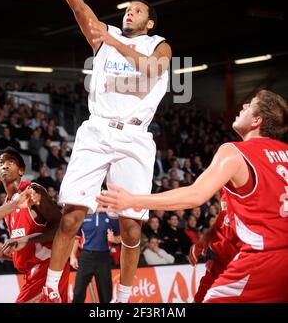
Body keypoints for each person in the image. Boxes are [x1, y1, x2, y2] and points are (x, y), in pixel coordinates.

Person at [37, 0, 172, 303]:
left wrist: (114, 42)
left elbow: (151, 71)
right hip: (96, 132)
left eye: (138, 11)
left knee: (130, 228)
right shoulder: (104, 35)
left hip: (133, 138)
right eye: (128, 7)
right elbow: (78, 5)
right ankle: (51, 291)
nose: (130, 11)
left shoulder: (157, 45)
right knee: (70, 218)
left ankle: (124, 296)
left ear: (149, 24)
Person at [97, 90, 288, 303]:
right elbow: (254, 209)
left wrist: (132, 200)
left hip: (263, 259)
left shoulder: (235, 152)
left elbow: (195, 195)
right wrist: (211, 234)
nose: (242, 107)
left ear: (257, 120)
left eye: (249, 105)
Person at [0, 147, 70, 303]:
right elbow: (27, 247)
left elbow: (62, 227)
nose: (4, 166)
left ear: (21, 170)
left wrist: (26, 240)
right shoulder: (8, 205)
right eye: (0, 164)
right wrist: (6, 255)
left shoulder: (32, 191)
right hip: (33, 273)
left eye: (10, 162)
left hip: (48, 268)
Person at [188, 190, 242, 303]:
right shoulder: (226, 186)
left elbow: (196, 193)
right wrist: (206, 237)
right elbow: (224, 215)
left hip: (242, 263)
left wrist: (143, 201)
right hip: (220, 259)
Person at [70, 212, 120, 303]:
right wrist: (72, 256)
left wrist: (114, 239)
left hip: (103, 257)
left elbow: (122, 237)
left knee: (106, 294)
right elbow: (76, 238)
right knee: (78, 292)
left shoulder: (111, 217)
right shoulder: (83, 215)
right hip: (86, 257)